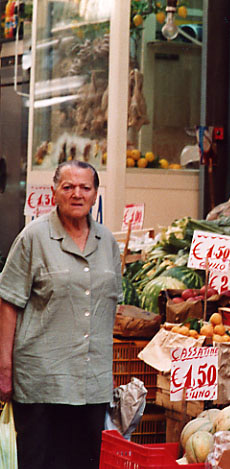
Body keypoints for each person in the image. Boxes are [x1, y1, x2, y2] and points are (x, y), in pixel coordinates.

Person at [0, 161, 122, 469]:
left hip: (91, 384)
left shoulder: (107, 242)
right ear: (55, 191)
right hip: (42, 383)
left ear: (96, 194)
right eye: (68, 187)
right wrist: (4, 370)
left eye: (85, 187)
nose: (77, 194)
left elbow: (109, 309)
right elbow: (8, 303)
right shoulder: (34, 238)